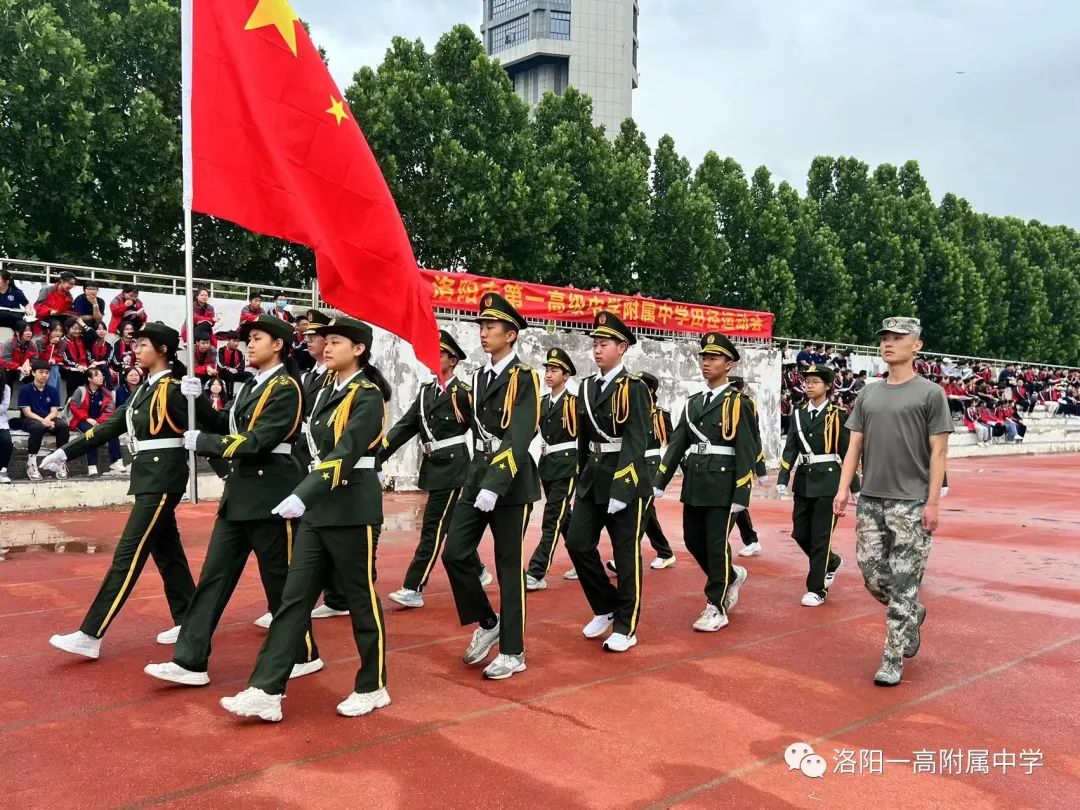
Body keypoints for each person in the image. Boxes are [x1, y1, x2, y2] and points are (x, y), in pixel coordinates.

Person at [219, 317, 391, 722]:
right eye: (323, 341)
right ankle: (266, 689)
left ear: (358, 349)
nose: (325, 347)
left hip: (351, 511)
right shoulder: (324, 391)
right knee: (293, 600)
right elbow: (304, 447)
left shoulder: (366, 396)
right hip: (317, 509)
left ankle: (373, 685)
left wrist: (301, 494)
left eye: (334, 341)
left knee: (361, 599)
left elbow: (345, 453)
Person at [144, 315, 321, 687]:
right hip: (239, 495)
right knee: (213, 579)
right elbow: (229, 425)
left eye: (256, 338)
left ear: (278, 345)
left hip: (271, 493)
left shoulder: (287, 388)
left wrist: (205, 443)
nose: (248, 345)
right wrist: (197, 403)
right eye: (247, 339)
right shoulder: (248, 386)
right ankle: (190, 660)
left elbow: (259, 440)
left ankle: (304, 652)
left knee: (281, 583)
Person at [41, 323, 196, 658]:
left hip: (163, 479)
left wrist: (200, 402)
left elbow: (206, 426)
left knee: (127, 557)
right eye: (135, 343)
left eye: (143, 344)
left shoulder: (174, 389)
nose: (136, 349)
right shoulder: (145, 390)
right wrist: (67, 451)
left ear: (163, 350)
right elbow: (112, 425)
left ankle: (91, 634)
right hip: (149, 477)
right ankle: (190, 620)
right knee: (168, 554)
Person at [834, 317, 952, 687]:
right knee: (871, 574)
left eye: (897, 338)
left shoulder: (930, 394)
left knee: (904, 582)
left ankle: (892, 656)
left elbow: (939, 453)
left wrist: (933, 502)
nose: (888, 344)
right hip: (871, 498)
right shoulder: (868, 393)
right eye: (884, 338)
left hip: (911, 503)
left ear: (916, 346)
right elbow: (854, 445)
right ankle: (911, 614)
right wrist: (843, 489)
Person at [440, 293, 540, 680]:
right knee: (454, 553)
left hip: (511, 481)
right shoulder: (479, 378)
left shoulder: (525, 377)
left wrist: (496, 483)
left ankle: (514, 651)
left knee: (508, 567)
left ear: (510, 334)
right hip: (478, 472)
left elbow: (519, 436)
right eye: (481, 327)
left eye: (491, 327)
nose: (483, 334)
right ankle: (487, 621)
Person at [653, 333, 757, 633]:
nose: (707, 363)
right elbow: (676, 444)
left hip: (724, 485)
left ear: (729, 364)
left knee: (714, 544)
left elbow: (746, 449)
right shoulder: (693, 403)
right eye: (704, 357)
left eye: (714, 358)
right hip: (696, 482)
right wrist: (660, 480)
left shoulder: (738, 403)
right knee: (691, 540)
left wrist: (742, 492)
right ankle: (731, 574)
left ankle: (716, 605)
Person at [564, 311, 652, 652]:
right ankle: (605, 606)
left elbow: (636, 441)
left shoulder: (634, 388)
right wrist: (580, 480)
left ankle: (626, 626)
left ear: (622, 347)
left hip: (624, 480)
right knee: (577, 543)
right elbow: (583, 441)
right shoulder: (586, 387)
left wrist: (622, 486)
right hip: (592, 478)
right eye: (595, 345)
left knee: (626, 555)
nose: (597, 351)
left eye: (604, 344)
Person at [380, 330, 485, 609]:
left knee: (432, 528)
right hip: (433, 467)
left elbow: (482, 430)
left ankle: (413, 587)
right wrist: (376, 456)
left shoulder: (462, 393)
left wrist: (480, 468)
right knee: (448, 526)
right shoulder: (427, 391)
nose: (434, 359)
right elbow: (405, 426)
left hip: (454, 468)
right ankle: (479, 569)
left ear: (453, 360)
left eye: (439, 354)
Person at [777, 364, 857, 606]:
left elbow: (847, 453)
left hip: (829, 482)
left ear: (828, 386)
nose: (809, 386)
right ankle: (831, 562)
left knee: (820, 537)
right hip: (803, 481)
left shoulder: (838, 415)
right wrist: (783, 477)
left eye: (815, 382)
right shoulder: (798, 414)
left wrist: (855, 487)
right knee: (800, 533)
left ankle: (817, 588)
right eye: (807, 381)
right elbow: (790, 447)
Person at [603, 371, 677, 575]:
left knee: (642, 512)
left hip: (651, 466)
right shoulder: (625, 410)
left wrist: (665, 472)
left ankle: (626, 558)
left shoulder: (660, 415)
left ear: (649, 390)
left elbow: (674, 444)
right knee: (645, 512)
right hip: (632, 464)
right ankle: (664, 552)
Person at [524, 347, 579, 591]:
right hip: (547, 465)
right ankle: (584, 558)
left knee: (552, 517)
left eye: (554, 370)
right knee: (563, 517)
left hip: (567, 465)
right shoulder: (542, 402)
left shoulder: (574, 403)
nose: (548, 374)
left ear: (565, 376)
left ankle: (537, 571)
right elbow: (530, 430)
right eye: (547, 369)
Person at [729, 376, 768, 558]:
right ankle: (751, 540)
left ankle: (717, 542)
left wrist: (760, 468)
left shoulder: (746, 405)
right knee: (737, 504)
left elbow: (754, 437)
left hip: (740, 461)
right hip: (724, 463)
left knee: (732, 504)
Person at [18, 359, 71, 480]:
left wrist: (47, 420)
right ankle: (31, 463)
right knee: (38, 427)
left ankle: (60, 462)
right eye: (41, 372)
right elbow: (27, 412)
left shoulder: (52, 390)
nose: (44, 375)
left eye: (47, 373)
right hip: (31, 419)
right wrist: (43, 421)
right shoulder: (25, 389)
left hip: (49, 418)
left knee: (63, 426)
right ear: (33, 373)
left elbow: (54, 411)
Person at [67, 367, 125, 475]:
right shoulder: (80, 390)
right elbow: (74, 407)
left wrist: (98, 421)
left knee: (113, 430)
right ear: (89, 378)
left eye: (102, 376)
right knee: (91, 433)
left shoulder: (106, 393)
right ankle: (92, 465)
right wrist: (87, 418)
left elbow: (109, 411)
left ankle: (116, 461)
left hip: (98, 421)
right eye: (97, 375)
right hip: (81, 420)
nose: (101, 378)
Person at [1, 321, 37, 386]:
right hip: (12, 368)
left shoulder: (32, 345)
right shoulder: (8, 344)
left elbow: (35, 360)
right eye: (26, 331)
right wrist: (19, 367)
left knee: (35, 373)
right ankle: (6, 394)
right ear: (17, 332)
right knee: (6, 374)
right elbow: (5, 361)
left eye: (30, 331)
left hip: (25, 369)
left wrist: (29, 367)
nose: (29, 333)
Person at [60, 319, 90, 395]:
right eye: (75, 328)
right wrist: (77, 366)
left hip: (82, 366)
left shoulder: (81, 339)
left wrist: (91, 364)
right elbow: (65, 359)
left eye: (80, 329)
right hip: (67, 367)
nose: (78, 331)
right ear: (67, 328)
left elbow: (92, 336)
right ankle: (71, 400)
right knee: (76, 374)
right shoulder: (62, 341)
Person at [216, 330, 250, 396]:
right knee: (229, 375)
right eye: (234, 341)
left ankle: (245, 395)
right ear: (228, 340)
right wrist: (229, 369)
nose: (236, 343)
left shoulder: (240, 353)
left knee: (249, 375)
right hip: (224, 373)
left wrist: (236, 370)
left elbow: (242, 367)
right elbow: (220, 364)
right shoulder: (221, 350)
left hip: (235, 373)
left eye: (238, 341)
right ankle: (229, 397)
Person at [86, 321, 116, 388]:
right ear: (94, 331)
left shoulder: (109, 346)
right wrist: (94, 363)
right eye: (99, 329)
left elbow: (108, 359)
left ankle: (110, 389)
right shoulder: (90, 344)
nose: (102, 331)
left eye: (104, 329)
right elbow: (89, 357)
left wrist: (97, 363)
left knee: (104, 367)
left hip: (103, 366)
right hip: (91, 365)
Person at [0, 381, 13, 483]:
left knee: (6, 441)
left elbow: (3, 408)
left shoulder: (5, 388)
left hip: (1, 422)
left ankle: (2, 470)